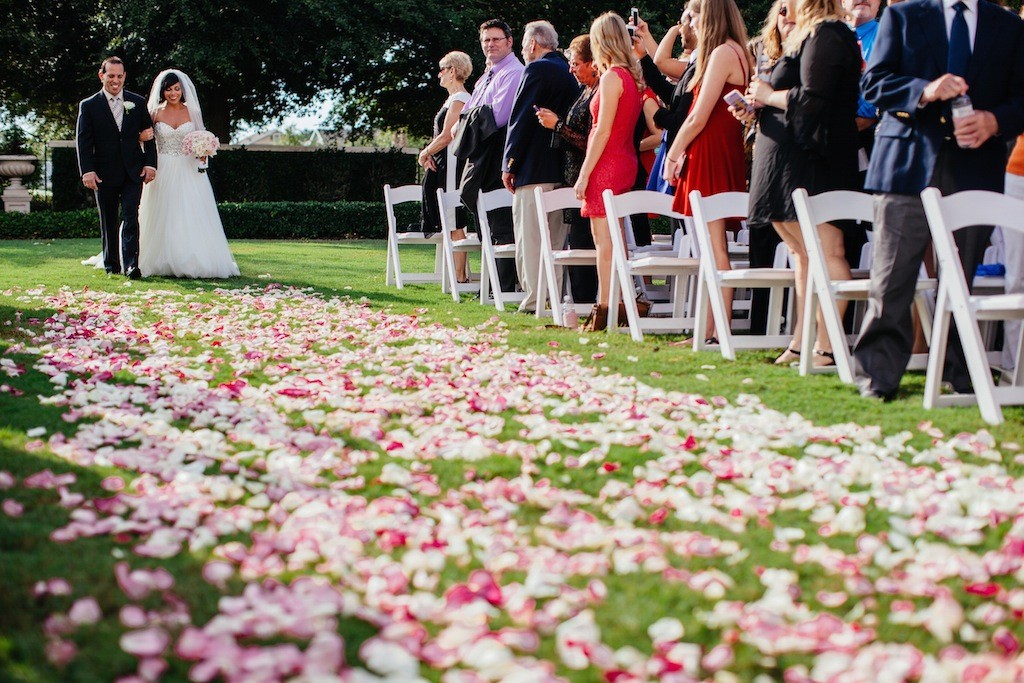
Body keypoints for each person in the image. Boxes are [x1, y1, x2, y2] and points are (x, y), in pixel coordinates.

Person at [853, 0, 1024, 401]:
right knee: (892, 275)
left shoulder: (1009, 26)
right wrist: (924, 91)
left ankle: (959, 372)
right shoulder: (904, 15)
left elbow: (1021, 98)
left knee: (961, 277)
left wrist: (995, 121)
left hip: (976, 166)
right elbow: (873, 84)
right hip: (906, 162)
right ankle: (879, 377)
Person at [739, 0, 862, 366]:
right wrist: (755, 106)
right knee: (801, 253)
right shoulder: (804, 35)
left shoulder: (828, 33)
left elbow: (812, 100)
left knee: (828, 251)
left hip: (813, 163)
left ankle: (827, 346)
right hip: (784, 161)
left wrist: (767, 95)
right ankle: (801, 340)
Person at [663, 0, 751, 343]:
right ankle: (709, 329)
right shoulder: (735, 51)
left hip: (710, 151)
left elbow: (698, 115)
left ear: (709, 16)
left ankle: (716, 331)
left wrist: (673, 153)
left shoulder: (723, 54)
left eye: (694, 15)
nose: (689, 21)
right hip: (717, 149)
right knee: (709, 246)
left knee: (713, 248)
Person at [573, 12, 643, 332]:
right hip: (624, 159)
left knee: (604, 243)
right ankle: (616, 304)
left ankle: (604, 308)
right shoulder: (630, 76)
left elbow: (601, 130)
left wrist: (584, 173)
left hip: (608, 163)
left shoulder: (612, 77)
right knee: (613, 240)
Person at [503, 21, 579, 314]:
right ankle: (552, 296)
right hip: (563, 169)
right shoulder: (567, 71)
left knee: (531, 237)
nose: (524, 49)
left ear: (533, 44)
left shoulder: (535, 69)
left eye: (523, 43)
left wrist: (509, 163)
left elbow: (520, 119)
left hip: (534, 168)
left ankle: (534, 298)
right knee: (556, 239)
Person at [137, 70, 239, 279]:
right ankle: (159, 258)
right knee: (162, 211)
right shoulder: (154, 113)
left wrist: (204, 154)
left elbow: (201, 137)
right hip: (163, 167)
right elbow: (145, 141)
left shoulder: (192, 112)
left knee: (189, 211)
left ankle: (192, 258)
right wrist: (141, 137)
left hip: (188, 168)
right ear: (162, 91)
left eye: (176, 89)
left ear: (182, 90)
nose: (173, 93)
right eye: (168, 89)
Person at [455, 19, 525, 294]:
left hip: (498, 156)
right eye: (486, 40)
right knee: (483, 222)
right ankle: (491, 286)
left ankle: (504, 287)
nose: (490, 44)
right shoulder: (486, 77)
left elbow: (496, 117)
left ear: (509, 41)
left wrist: (468, 120)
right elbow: (465, 117)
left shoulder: (513, 73)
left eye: (496, 39)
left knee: (501, 224)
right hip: (480, 158)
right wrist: (469, 119)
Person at [76, 56, 157, 279]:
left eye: (119, 76)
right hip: (103, 173)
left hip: (133, 171)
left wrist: (150, 164)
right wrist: (87, 170)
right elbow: (84, 141)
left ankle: (132, 265)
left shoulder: (137, 102)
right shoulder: (89, 105)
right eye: (111, 75)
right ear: (101, 76)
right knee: (109, 219)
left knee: (131, 216)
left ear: (124, 77)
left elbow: (149, 136)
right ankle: (112, 264)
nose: (115, 80)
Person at [536, 34, 601, 304]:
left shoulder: (598, 92)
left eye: (575, 63)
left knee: (584, 245)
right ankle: (580, 302)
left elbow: (591, 141)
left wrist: (558, 125)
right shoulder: (584, 91)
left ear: (592, 63)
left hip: (588, 179)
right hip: (573, 178)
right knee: (577, 244)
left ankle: (587, 304)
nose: (571, 69)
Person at [415, 52, 473, 281]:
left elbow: (448, 135)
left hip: (453, 166)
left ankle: (460, 276)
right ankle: (456, 274)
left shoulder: (460, 98)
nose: (438, 74)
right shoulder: (451, 99)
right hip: (443, 163)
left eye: (442, 69)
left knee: (454, 219)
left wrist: (425, 152)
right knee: (450, 221)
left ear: (452, 71)